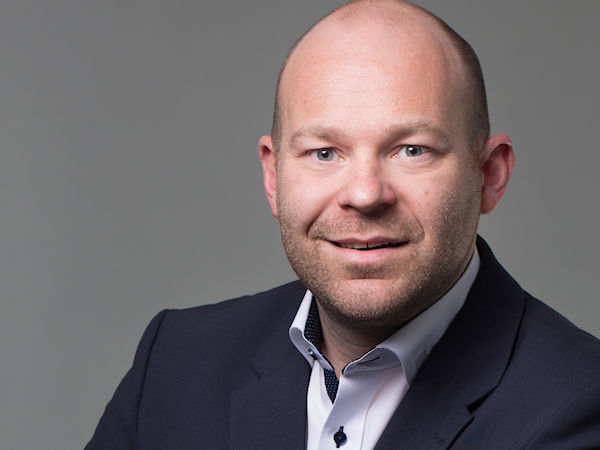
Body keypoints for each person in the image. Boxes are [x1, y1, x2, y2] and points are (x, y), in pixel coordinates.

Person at [86, 1, 600, 448]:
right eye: (324, 152)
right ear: (273, 177)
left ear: (488, 174)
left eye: (411, 150)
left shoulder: (579, 405)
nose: (364, 194)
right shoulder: (176, 362)